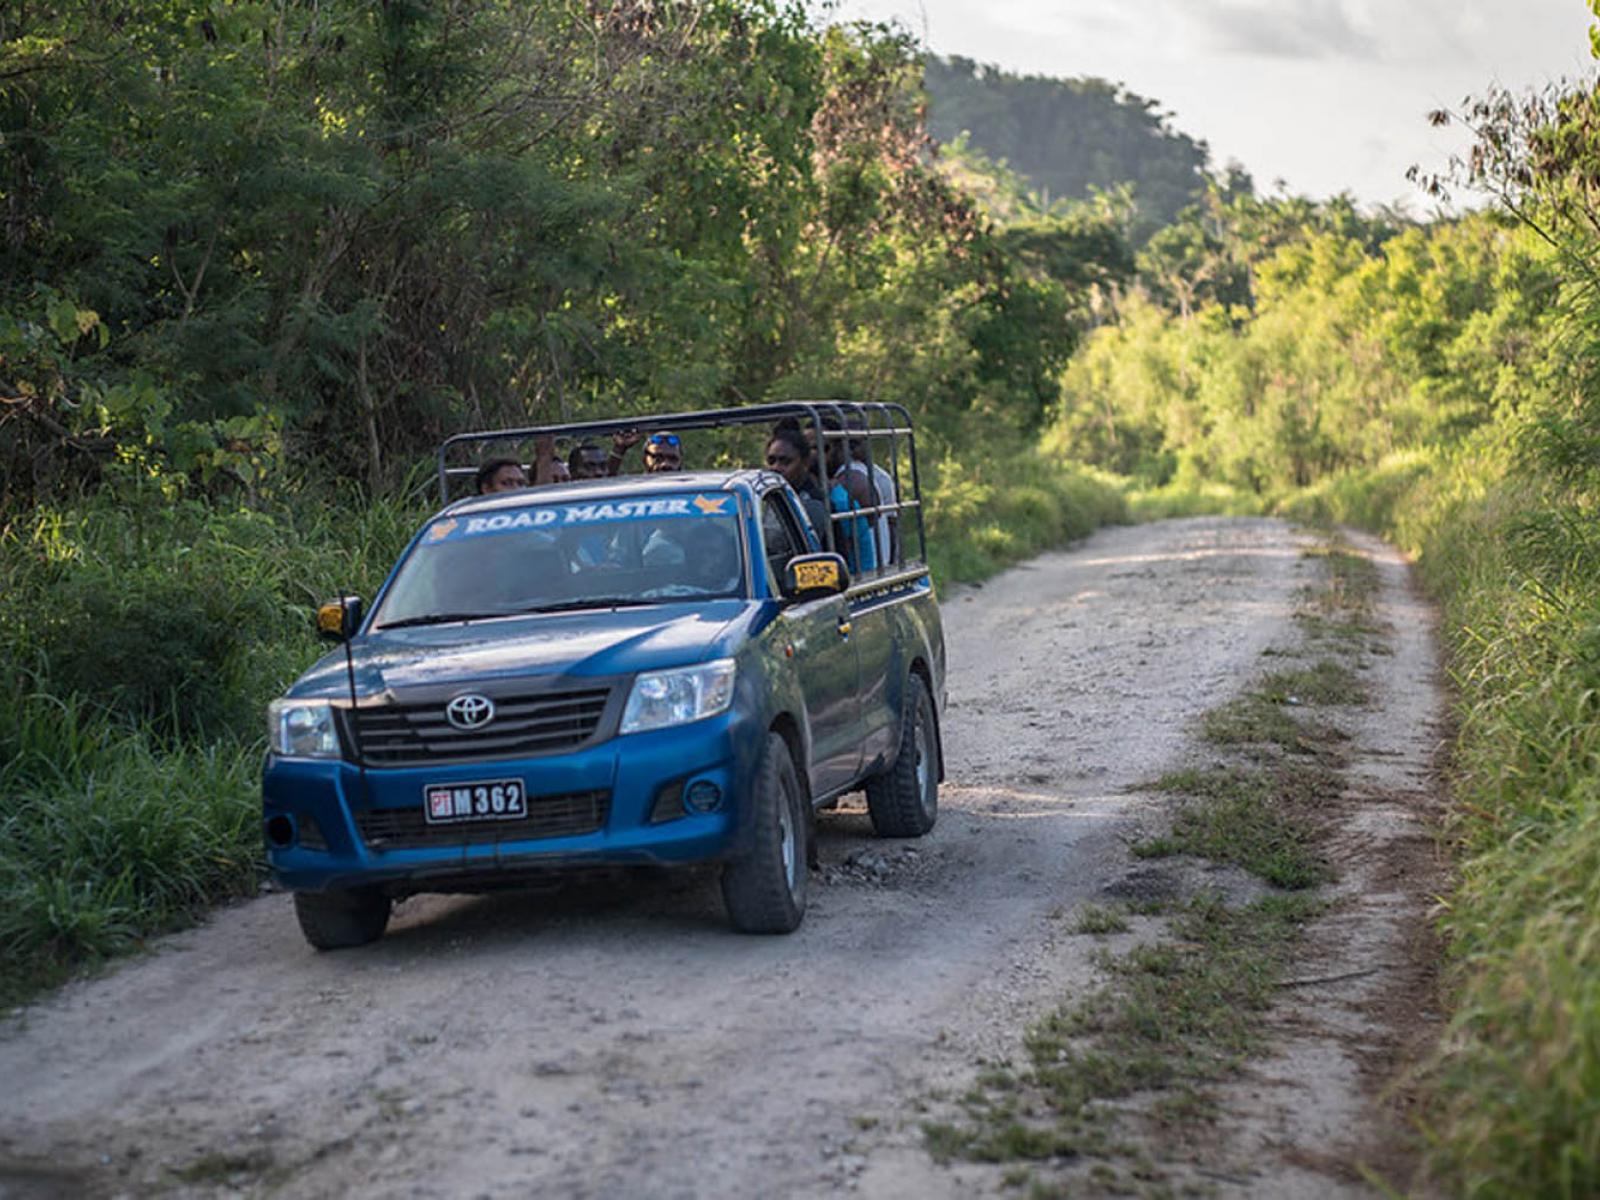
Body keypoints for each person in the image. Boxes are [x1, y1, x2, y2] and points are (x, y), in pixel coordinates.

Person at [766, 422, 827, 545]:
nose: (776, 468)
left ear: (805, 463)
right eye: (771, 461)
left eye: (786, 462)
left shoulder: (811, 503)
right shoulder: (771, 494)